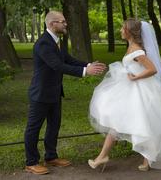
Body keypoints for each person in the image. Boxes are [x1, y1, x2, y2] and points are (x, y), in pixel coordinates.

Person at [88, 18, 161, 173]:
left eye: (123, 28)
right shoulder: (132, 46)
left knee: (141, 124)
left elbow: (152, 69)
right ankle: (104, 156)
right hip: (129, 91)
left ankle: (141, 158)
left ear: (129, 31)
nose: (120, 30)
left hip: (139, 92)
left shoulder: (137, 50)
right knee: (123, 123)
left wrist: (136, 77)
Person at [24, 11, 106, 175]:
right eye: (62, 21)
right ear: (52, 24)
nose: (65, 24)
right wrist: (85, 71)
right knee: (33, 128)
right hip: (40, 94)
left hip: (54, 92)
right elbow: (57, 65)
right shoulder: (43, 44)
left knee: (54, 126)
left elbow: (68, 60)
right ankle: (31, 162)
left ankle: (51, 157)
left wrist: (89, 64)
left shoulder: (57, 41)